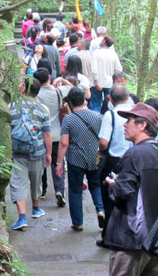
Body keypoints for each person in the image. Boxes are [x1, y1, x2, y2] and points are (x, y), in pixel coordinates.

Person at [103, 103, 158, 276]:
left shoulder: (134, 154)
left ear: (142, 124)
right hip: (157, 238)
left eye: (129, 120)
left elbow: (120, 194)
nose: (124, 125)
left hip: (130, 239)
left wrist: (113, 185)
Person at [56, 87, 105, 232]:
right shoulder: (98, 116)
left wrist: (59, 163)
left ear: (70, 102)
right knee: (95, 185)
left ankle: (78, 222)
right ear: (85, 100)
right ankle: (101, 210)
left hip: (76, 159)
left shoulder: (68, 120)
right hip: (95, 158)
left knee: (75, 190)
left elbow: (64, 143)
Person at [9, 78, 52, 230]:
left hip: (17, 151)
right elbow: (47, 134)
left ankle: (21, 217)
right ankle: (35, 209)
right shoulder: (42, 108)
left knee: (18, 182)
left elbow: (8, 127)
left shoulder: (12, 106)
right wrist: (49, 153)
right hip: (37, 151)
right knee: (36, 181)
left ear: (24, 89)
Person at [95, 84, 133, 247]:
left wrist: (100, 149)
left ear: (110, 99)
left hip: (113, 162)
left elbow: (103, 142)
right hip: (132, 160)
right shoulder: (136, 112)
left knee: (109, 199)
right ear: (128, 96)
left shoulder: (110, 115)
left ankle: (109, 237)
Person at [35, 68, 66, 207]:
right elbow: (77, 90)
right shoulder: (58, 91)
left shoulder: (35, 94)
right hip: (56, 133)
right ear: (49, 77)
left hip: (41, 134)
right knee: (57, 163)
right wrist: (62, 80)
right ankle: (59, 190)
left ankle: (43, 189)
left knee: (42, 162)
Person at [89, 36, 122, 113]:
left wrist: (96, 82)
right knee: (109, 104)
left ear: (104, 42)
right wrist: (112, 77)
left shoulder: (95, 53)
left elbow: (94, 69)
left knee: (95, 105)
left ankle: (96, 122)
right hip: (109, 83)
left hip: (96, 83)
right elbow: (119, 69)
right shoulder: (113, 54)